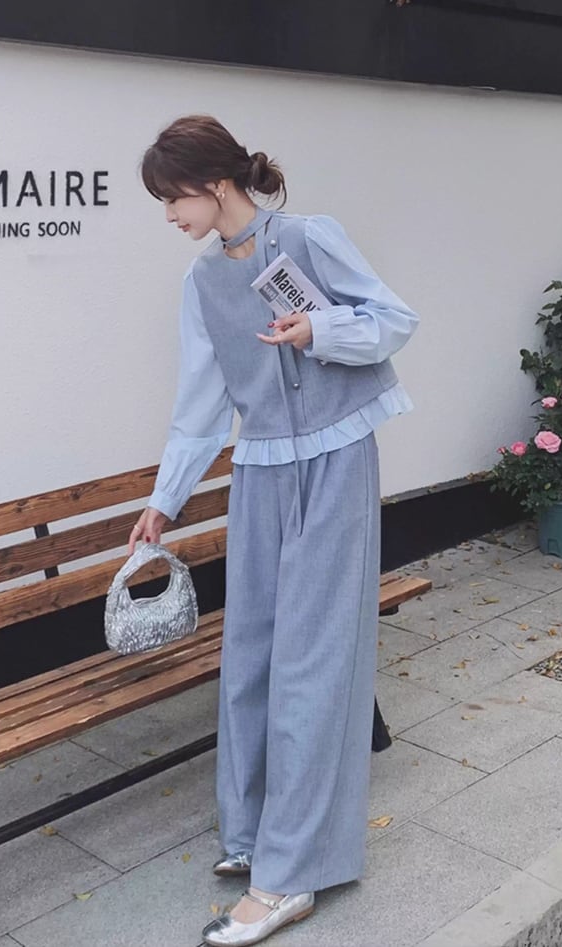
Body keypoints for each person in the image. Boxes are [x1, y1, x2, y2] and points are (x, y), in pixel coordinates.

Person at [128, 115, 419, 947]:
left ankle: (291, 873)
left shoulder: (308, 237)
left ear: (215, 183)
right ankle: (254, 830)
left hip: (335, 460)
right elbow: (199, 403)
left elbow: (394, 319)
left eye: (173, 198)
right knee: (252, 650)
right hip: (260, 471)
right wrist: (165, 500)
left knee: (311, 659)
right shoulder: (201, 281)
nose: (169, 215)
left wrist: (319, 329)